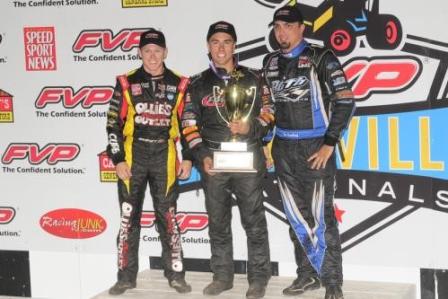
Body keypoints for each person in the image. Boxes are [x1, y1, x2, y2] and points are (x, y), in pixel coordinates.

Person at [262, 5, 356, 299]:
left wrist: (329, 143)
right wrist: (265, 141)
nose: (281, 32)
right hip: (283, 147)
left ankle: (332, 282)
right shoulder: (270, 62)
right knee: (296, 217)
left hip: (316, 147)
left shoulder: (322, 57)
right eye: (277, 27)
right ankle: (306, 275)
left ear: (302, 28)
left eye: (288, 26)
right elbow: (268, 109)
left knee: (321, 216)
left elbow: (345, 101)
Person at [181, 21, 275, 299]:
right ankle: (222, 276)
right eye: (215, 42)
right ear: (208, 47)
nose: (220, 47)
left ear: (235, 45)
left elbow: (270, 113)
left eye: (226, 42)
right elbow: (188, 124)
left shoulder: (255, 78)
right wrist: (201, 156)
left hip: (248, 157)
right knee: (217, 222)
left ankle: (258, 278)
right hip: (213, 162)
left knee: (254, 221)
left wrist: (250, 128)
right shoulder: (197, 83)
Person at [106, 28, 193, 296]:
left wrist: (188, 157)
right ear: (140, 53)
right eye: (147, 51)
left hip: (165, 155)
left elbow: (188, 124)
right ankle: (125, 276)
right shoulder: (125, 81)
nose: (153, 56)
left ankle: (176, 274)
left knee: (168, 218)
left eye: (157, 50)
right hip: (134, 156)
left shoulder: (180, 83)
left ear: (165, 52)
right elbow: (112, 124)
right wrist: (118, 158)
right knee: (127, 219)